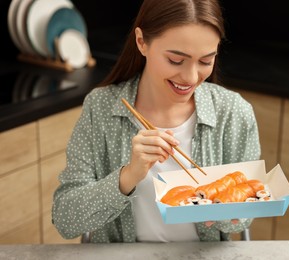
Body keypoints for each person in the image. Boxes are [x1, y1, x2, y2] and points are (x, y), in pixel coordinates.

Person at [52, 0, 261, 243]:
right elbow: (65, 219)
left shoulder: (234, 113)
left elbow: (245, 217)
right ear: (141, 42)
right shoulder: (101, 108)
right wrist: (127, 177)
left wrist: (211, 203)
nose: (191, 77)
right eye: (175, 60)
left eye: (205, 61)